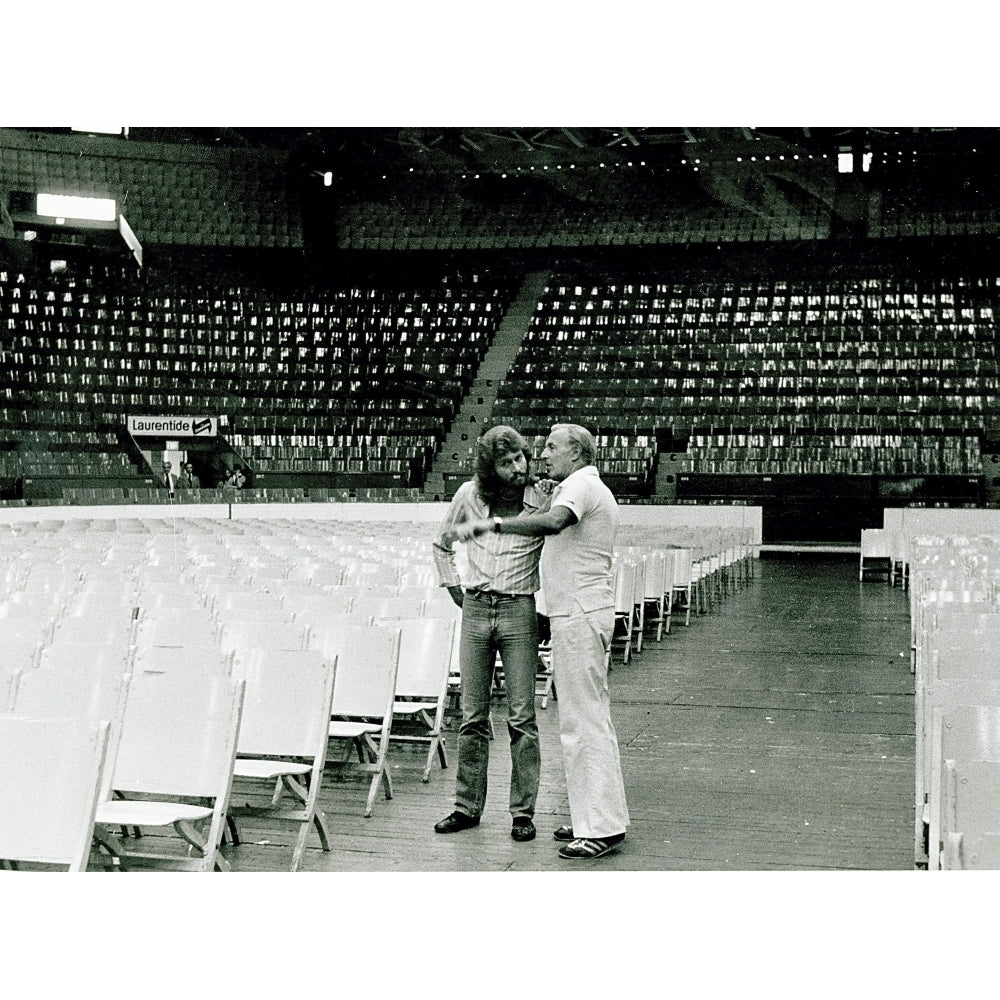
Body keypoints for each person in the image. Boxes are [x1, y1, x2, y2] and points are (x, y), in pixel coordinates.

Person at [443, 423, 629, 861]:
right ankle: (591, 818)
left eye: (551, 447)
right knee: (580, 723)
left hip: (580, 614)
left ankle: (600, 828)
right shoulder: (577, 484)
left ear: (577, 453)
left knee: (585, 724)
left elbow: (553, 523)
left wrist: (500, 522)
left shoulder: (579, 488)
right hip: (569, 614)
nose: (543, 455)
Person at [432, 425, 551, 843]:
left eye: (521, 457)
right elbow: (442, 543)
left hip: (520, 609)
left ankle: (522, 812)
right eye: (506, 463)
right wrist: (453, 588)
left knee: (522, 717)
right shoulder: (469, 495)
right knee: (472, 717)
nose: (518, 467)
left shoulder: (544, 497)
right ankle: (467, 807)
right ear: (490, 469)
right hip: (477, 607)